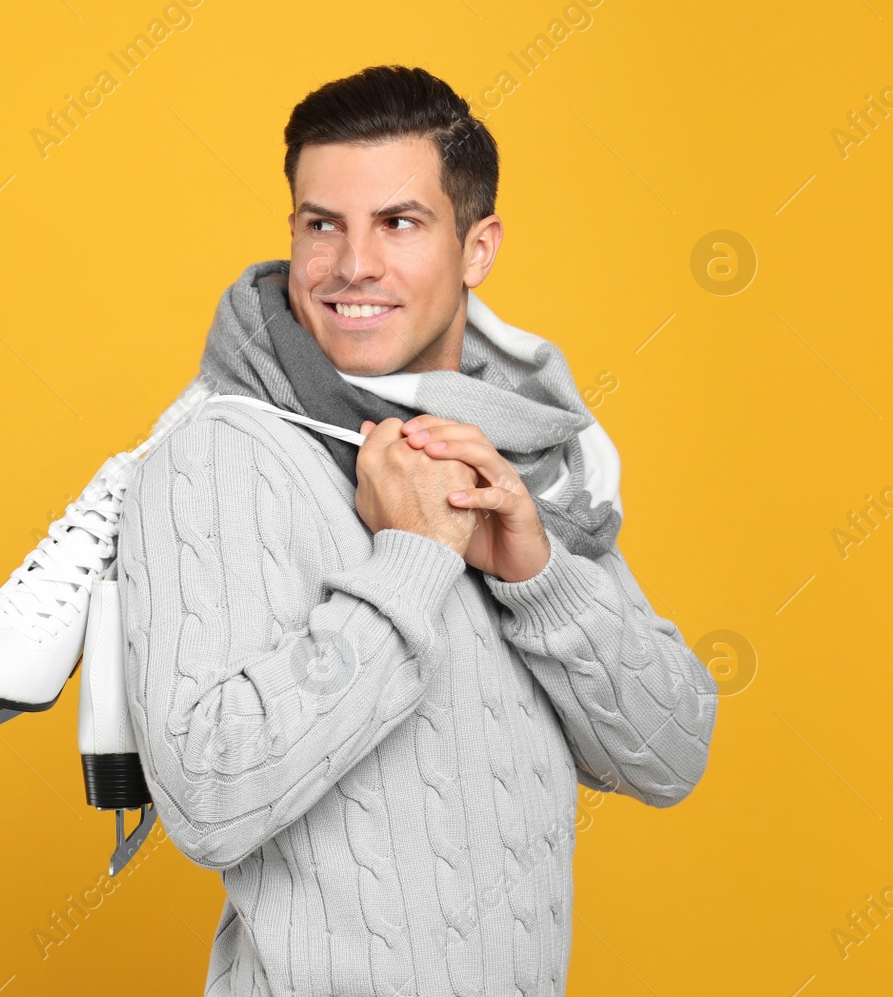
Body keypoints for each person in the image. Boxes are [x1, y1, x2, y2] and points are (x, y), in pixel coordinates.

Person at [116, 65, 718, 997]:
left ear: (477, 247)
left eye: (398, 223)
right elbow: (205, 794)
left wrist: (540, 579)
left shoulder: (515, 452)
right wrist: (411, 561)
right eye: (323, 224)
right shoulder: (223, 450)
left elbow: (671, 753)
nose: (352, 264)